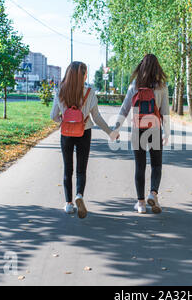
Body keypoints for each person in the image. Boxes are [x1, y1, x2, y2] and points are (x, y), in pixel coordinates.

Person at [51, 61, 118, 218]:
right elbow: (97, 117)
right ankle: (79, 195)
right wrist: (111, 133)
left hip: (67, 133)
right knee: (81, 169)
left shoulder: (60, 91)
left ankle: (68, 204)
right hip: (85, 132)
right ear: (83, 75)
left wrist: (63, 120)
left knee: (68, 169)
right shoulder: (89, 92)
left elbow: (53, 115)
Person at [112, 54, 170, 214]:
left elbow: (124, 109)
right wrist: (167, 133)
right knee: (156, 164)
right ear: (157, 68)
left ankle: (141, 204)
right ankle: (153, 193)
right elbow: (165, 112)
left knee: (140, 166)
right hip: (155, 128)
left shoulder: (134, 86)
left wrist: (116, 129)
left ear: (142, 67)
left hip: (138, 129)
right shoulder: (162, 87)